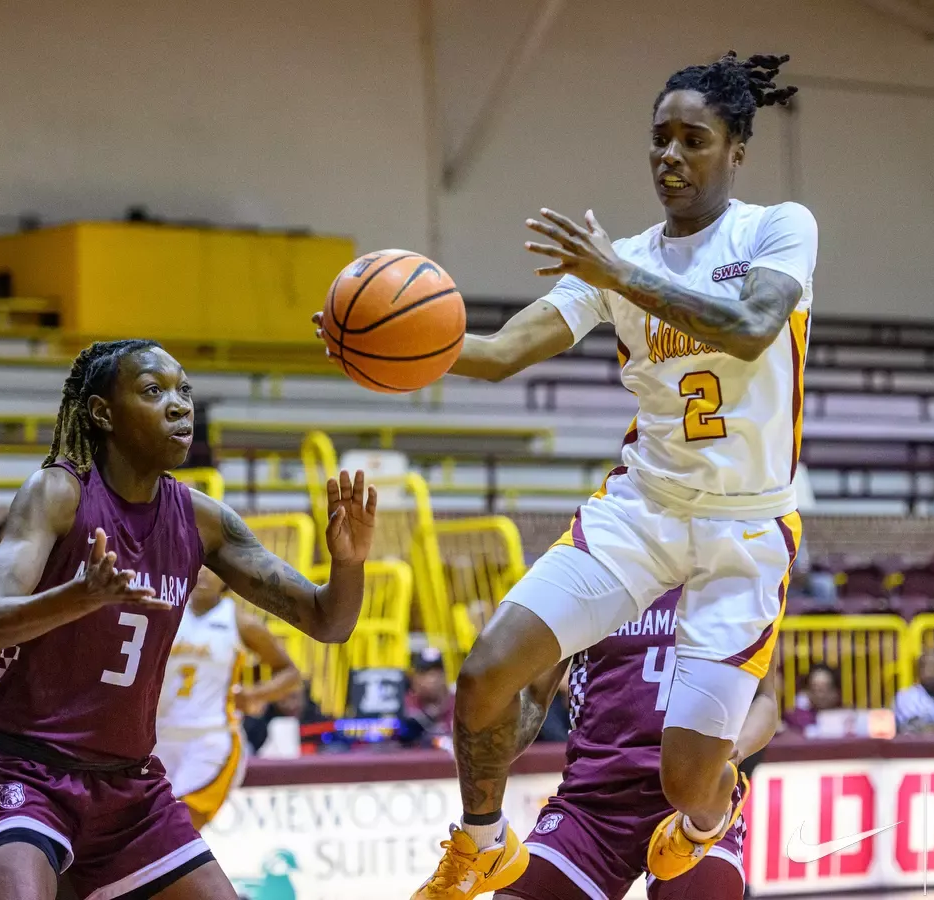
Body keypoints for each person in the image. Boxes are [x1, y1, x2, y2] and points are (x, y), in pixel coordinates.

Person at [346, 50, 814, 897]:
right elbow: (496, 354)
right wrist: (387, 348)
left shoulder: (777, 228)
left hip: (746, 526)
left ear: (736, 148)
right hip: (643, 508)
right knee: (488, 670)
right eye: (659, 139)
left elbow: (751, 327)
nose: (670, 155)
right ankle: (482, 839)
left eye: (693, 140)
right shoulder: (620, 260)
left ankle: (710, 816)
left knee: (685, 781)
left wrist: (617, 273)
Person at [0, 339, 376, 900]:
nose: (179, 405)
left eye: (184, 391)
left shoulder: (202, 520)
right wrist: (76, 598)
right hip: (23, 768)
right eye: (154, 392)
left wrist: (348, 564)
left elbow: (329, 622)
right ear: (102, 413)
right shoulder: (57, 493)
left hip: (129, 787)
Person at [493, 591, 778, 900]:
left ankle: (704, 825)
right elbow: (535, 695)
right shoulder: (590, 577)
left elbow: (765, 699)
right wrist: (488, 752)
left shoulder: (739, 579)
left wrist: (731, 756)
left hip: (691, 796)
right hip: (592, 801)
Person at [155, 566, 301, 830]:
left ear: (227, 579)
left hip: (210, 740)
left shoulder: (241, 622)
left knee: (176, 832)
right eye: (197, 567)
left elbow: (290, 672)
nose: (203, 574)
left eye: (213, 569)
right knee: (149, 834)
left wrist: (256, 694)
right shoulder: (165, 612)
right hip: (157, 738)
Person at [403, 648, 455, 741]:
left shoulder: (461, 705)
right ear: (414, 678)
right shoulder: (406, 705)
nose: (432, 679)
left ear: (444, 675)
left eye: (436, 673)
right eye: (424, 673)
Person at [781, 663, 841, 735]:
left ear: (835, 691)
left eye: (825, 688)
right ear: (807, 691)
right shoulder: (796, 719)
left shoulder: (848, 718)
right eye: (815, 688)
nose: (820, 695)